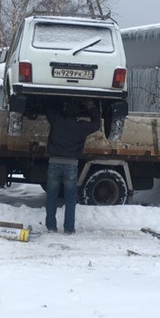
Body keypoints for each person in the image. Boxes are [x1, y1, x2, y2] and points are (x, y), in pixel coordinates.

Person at [44, 99, 101, 234]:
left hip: (54, 163)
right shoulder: (81, 127)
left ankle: (51, 226)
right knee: (70, 198)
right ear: (77, 114)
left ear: (65, 111)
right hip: (71, 165)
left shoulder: (57, 120)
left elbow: (48, 109)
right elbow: (96, 124)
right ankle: (69, 228)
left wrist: (58, 102)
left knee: (51, 196)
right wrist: (91, 106)